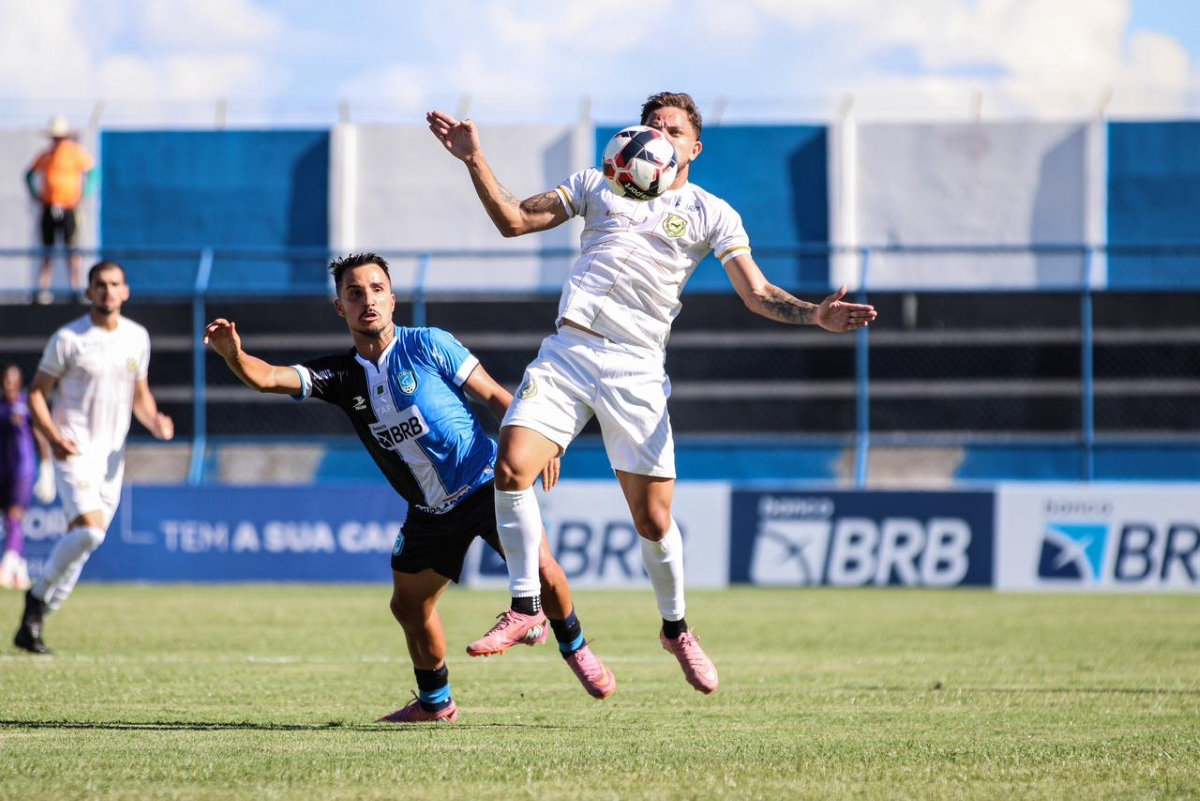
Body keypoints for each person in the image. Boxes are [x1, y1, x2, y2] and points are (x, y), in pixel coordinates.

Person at [427, 92, 878, 695]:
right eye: (651, 127)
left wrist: (813, 315)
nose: (659, 137)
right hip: (569, 349)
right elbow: (514, 220)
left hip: (636, 368)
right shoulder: (595, 183)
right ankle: (526, 605)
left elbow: (756, 293)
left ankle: (676, 629)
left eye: (673, 130)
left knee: (654, 518)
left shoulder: (712, 213)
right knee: (510, 469)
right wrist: (473, 158)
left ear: (694, 147)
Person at [203, 252, 616, 724]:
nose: (367, 301)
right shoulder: (340, 376)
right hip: (429, 513)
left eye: (376, 290)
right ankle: (436, 703)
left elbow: (497, 397)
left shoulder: (429, 344)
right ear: (340, 307)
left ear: (392, 299)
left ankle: (576, 648)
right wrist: (233, 355)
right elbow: (268, 378)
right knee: (409, 606)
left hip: (485, 484)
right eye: (354, 293)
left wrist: (538, 442)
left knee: (542, 569)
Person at [13, 261, 175, 654]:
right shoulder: (69, 338)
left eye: (114, 284)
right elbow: (36, 393)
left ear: (126, 291)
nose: (107, 290)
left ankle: (34, 625)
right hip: (73, 449)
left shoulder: (137, 337)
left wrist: (155, 421)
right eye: (100, 284)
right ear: (88, 292)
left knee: (83, 544)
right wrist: (54, 438)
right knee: (90, 532)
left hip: (111, 460)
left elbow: (140, 397)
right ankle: (36, 598)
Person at [26, 115, 96, 304]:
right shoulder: (45, 156)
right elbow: (29, 174)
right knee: (47, 250)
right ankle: (43, 289)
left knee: (72, 248)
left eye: (60, 138)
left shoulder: (75, 153)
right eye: (54, 138)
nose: (57, 141)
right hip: (49, 207)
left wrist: (84, 193)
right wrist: (35, 194)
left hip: (69, 208)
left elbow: (94, 173)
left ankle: (75, 288)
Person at [0, 365, 55, 591]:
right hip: (3, 470)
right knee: (9, 520)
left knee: (15, 516)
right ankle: (21, 573)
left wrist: (46, 467)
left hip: (22, 469)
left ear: (20, 381)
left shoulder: (26, 406)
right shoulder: (2, 407)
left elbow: (40, 436)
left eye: (13, 379)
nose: (9, 383)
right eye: (6, 379)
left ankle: (6, 568)